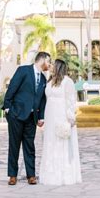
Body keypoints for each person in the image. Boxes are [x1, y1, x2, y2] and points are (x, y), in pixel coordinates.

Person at [2, 51, 51, 185]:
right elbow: (12, 88)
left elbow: (42, 100)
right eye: (49, 61)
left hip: (32, 118)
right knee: (14, 145)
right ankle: (12, 175)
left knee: (30, 146)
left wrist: (41, 117)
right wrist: (8, 108)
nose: (49, 64)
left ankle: (31, 175)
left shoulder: (43, 79)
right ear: (43, 60)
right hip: (16, 115)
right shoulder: (23, 70)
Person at [39, 58, 82, 186]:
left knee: (62, 143)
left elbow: (70, 101)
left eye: (53, 65)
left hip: (61, 116)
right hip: (50, 116)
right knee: (50, 142)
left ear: (58, 67)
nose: (50, 66)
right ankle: (50, 174)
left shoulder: (67, 82)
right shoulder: (50, 81)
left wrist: (70, 119)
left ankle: (64, 175)